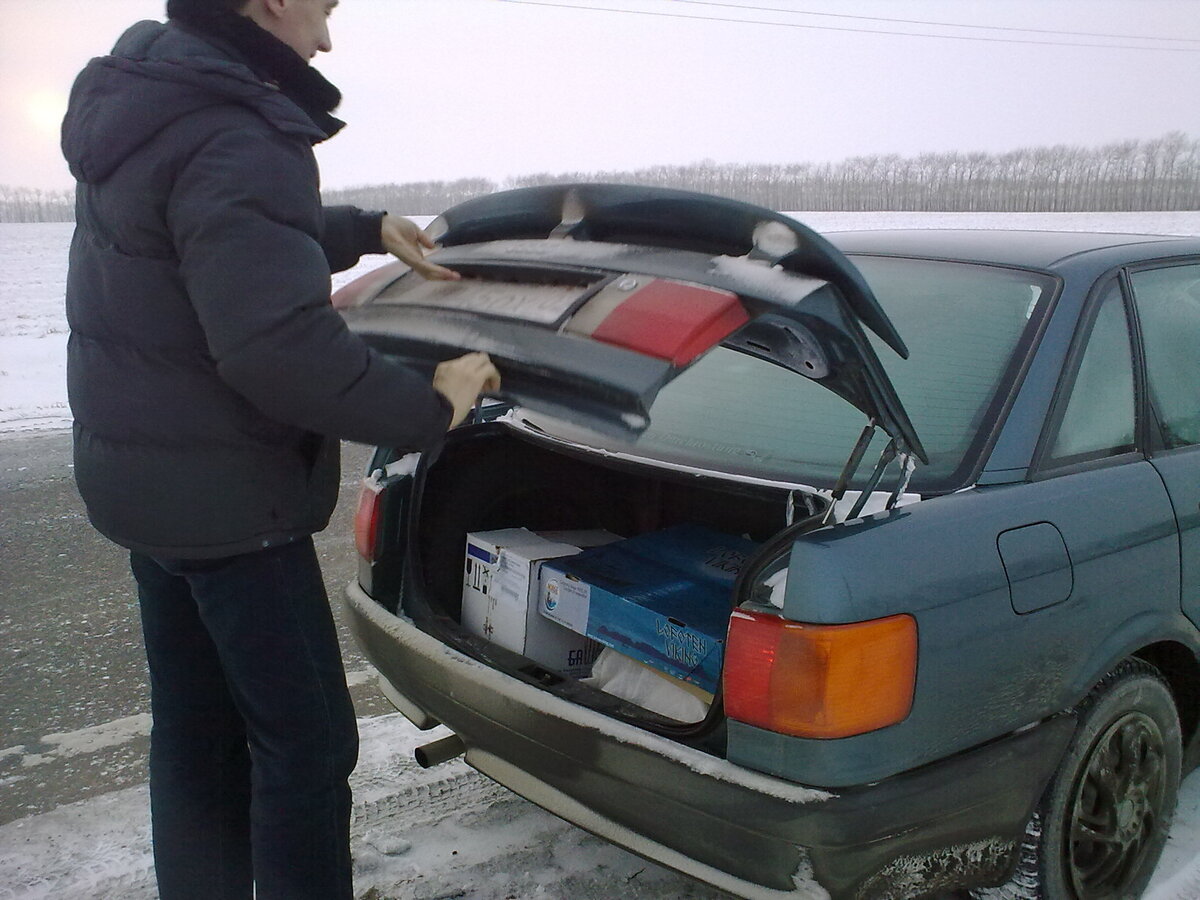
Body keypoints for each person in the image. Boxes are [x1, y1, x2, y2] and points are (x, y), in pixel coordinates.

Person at [59, 1, 500, 897]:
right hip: (235, 509)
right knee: (306, 745)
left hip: (152, 494)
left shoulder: (151, 95)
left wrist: (362, 227)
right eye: (323, 8)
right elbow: (278, 350)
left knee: (196, 729)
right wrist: (432, 406)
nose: (328, 37)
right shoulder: (238, 128)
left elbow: (206, 231)